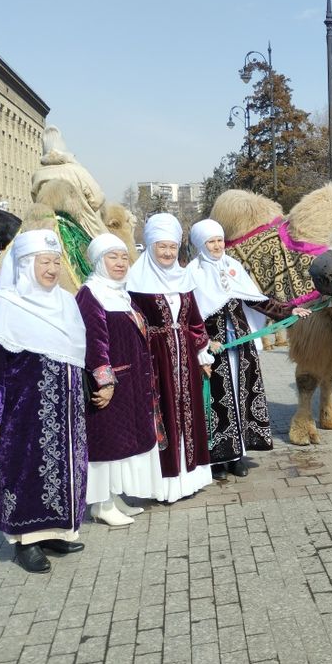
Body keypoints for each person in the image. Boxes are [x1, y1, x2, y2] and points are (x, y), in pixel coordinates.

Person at [0, 230, 88, 573]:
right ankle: (25, 542)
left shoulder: (64, 300)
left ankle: (52, 532)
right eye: (44, 262)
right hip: (22, 414)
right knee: (24, 472)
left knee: (62, 469)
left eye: (55, 262)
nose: (52, 269)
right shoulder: (7, 304)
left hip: (64, 412)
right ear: (24, 265)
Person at [187, 220, 310, 478]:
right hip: (213, 349)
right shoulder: (192, 274)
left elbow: (258, 301)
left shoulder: (233, 268)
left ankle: (238, 455)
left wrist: (289, 310)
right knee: (217, 401)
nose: (217, 246)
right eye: (211, 242)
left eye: (220, 240)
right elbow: (189, 316)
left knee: (241, 397)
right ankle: (217, 459)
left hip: (241, 347)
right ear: (200, 244)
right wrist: (205, 342)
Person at [76, 233, 165, 526]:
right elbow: (93, 342)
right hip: (111, 386)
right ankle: (101, 504)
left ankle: (113, 498)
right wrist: (105, 381)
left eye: (124, 257)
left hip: (132, 383)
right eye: (112, 257)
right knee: (106, 444)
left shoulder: (120, 293)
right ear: (98, 261)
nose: (120, 263)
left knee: (122, 444)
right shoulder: (91, 294)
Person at [126, 214, 214, 503]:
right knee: (161, 415)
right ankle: (164, 485)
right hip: (155, 359)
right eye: (161, 247)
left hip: (186, 358)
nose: (167, 253)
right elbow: (132, 325)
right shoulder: (135, 282)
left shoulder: (185, 277)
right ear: (150, 246)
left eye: (172, 248)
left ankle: (191, 477)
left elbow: (195, 321)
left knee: (189, 413)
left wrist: (203, 353)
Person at [30, 125, 107, 239]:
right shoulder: (77, 171)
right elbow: (97, 199)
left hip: (49, 228)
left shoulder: (37, 175)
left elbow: (36, 200)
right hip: (83, 228)